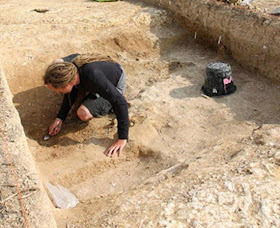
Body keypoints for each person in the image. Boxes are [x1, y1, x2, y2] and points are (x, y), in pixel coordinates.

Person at [43, 53, 129, 156]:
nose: (57, 93)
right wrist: (60, 118)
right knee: (56, 63)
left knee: (83, 113)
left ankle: (106, 106)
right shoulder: (71, 71)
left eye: (58, 90)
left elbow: (120, 102)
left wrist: (122, 138)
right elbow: (71, 93)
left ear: (66, 84)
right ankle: (88, 95)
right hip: (99, 75)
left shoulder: (94, 78)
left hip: (115, 82)